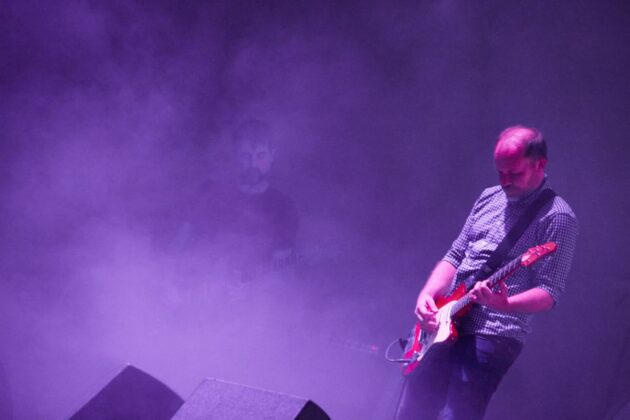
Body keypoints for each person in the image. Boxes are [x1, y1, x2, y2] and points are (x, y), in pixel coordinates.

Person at [394, 125, 578, 420]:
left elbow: (549, 292)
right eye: (500, 172)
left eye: (514, 173)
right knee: (413, 411)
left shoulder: (558, 216)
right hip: (446, 319)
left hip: (493, 333)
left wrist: (503, 304)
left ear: (540, 164)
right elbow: (455, 255)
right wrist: (427, 295)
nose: (504, 181)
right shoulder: (488, 197)